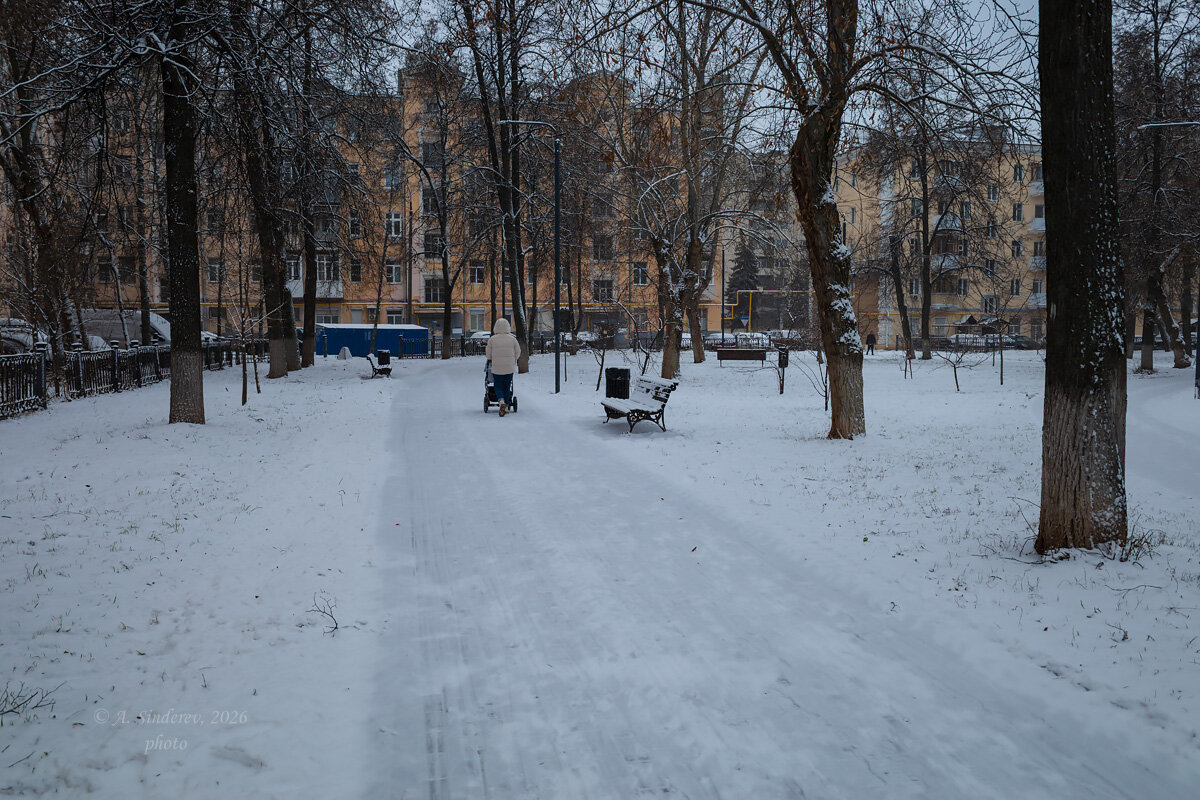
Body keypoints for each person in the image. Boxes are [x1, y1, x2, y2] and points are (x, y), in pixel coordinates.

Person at [485, 317, 521, 416]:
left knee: (498, 385)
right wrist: (514, 359)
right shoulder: (512, 339)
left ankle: (501, 401)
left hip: (497, 367)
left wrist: (492, 358)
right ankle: (507, 404)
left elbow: (488, 355)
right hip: (509, 367)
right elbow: (518, 352)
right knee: (507, 386)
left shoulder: (492, 339)